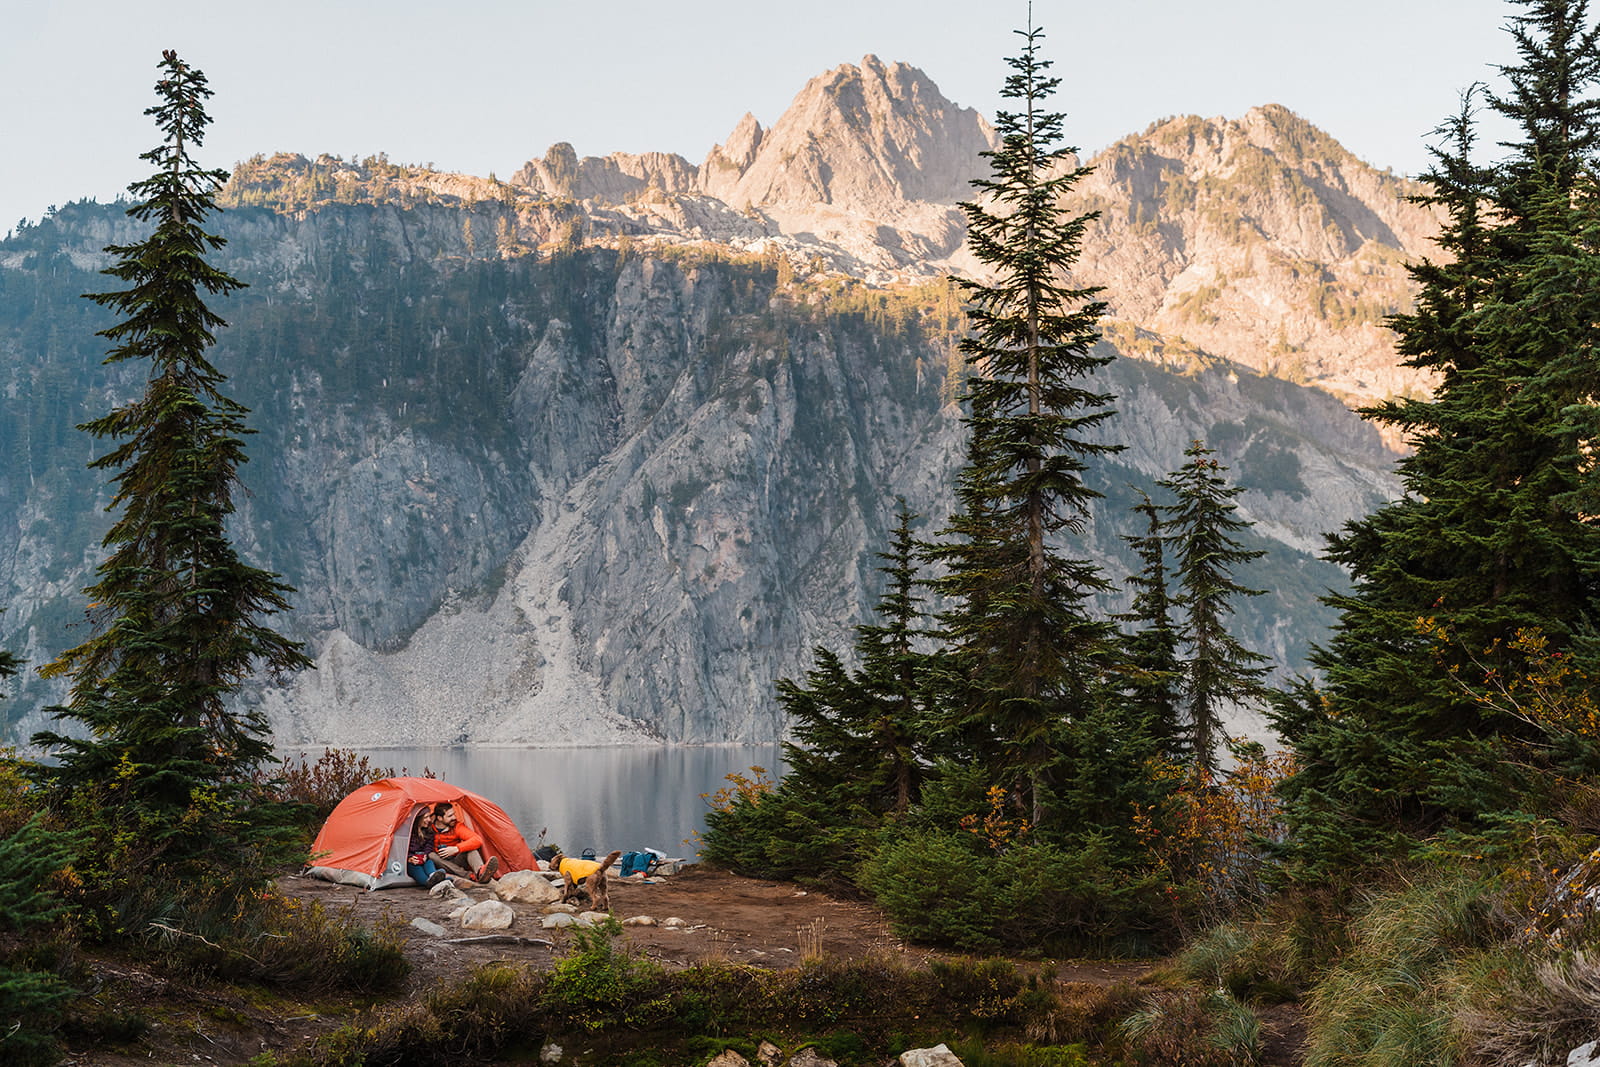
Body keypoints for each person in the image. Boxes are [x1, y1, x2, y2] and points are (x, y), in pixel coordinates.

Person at [430, 802, 501, 883]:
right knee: (431, 855)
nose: (454, 817)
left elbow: (477, 840)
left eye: (454, 814)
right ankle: (469, 876)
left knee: (471, 849)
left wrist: (456, 848)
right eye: (450, 816)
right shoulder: (429, 828)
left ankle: (480, 873)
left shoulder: (457, 826)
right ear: (439, 818)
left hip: (456, 860)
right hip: (441, 863)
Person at [405, 805, 451, 889]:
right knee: (421, 876)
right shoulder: (407, 832)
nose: (429, 820)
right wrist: (409, 858)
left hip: (423, 859)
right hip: (411, 862)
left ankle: (433, 874)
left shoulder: (429, 831)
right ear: (418, 818)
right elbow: (401, 848)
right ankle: (435, 881)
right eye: (426, 817)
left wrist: (425, 855)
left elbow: (429, 846)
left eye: (429, 816)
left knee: (429, 862)